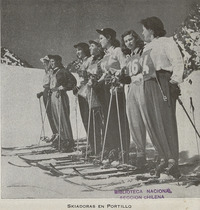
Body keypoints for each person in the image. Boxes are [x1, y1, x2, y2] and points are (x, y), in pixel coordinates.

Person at [140, 17, 184, 177]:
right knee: (152, 121)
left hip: (162, 81)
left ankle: (173, 160)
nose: (142, 32)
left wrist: (174, 81)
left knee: (165, 120)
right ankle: (163, 157)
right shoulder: (146, 47)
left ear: (151, 29)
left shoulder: (166, 42)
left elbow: (178, 62)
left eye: (143, 29)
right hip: (148, 84)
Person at [95, 28, 130, 162]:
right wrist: (97, 82)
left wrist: (117, 77)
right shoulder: (105, 55)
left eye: (101, 38)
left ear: (109, 37)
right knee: (109, 118)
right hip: (106, 88)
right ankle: (113, 147)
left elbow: (124, 67)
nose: (100, 41)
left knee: (118, 116)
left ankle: (123, 149)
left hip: (116, 87)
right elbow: (105, 72)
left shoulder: (117, 51)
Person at [120, 30, 147, 168]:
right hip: (131, 89)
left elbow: (146, 71)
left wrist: (132, 78)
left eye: (130, 39)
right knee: (134, 121)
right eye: (126, 41)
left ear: (136, 39)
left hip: (142, 87)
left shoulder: (143, 51)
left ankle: (160, 153)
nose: (128, 42)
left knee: (146, 119)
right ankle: (140, 153)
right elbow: (125, 73)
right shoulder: (128, 57)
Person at [48, 55, 76, 152]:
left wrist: (64, 87)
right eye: (51, 61)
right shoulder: (53, 72)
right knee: (56, 118)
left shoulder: (63, 71)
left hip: (60, 95)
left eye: (54, 61)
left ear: (59, 62)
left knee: (63, 117)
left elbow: (73, 81)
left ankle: (68, 141)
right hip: (53, 95)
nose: (52, 63)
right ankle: (62, 139)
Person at [37, 55, 57, 141]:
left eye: (46, 62)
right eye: (43, 63)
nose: (44, 64)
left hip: (50, 92)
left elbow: (52, 83)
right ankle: (54, 132)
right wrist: (42, 92)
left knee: (52, 113)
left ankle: (57, 132)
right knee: (49, 113)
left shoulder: (51, 72)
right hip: (46, 92)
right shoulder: (46, 72)